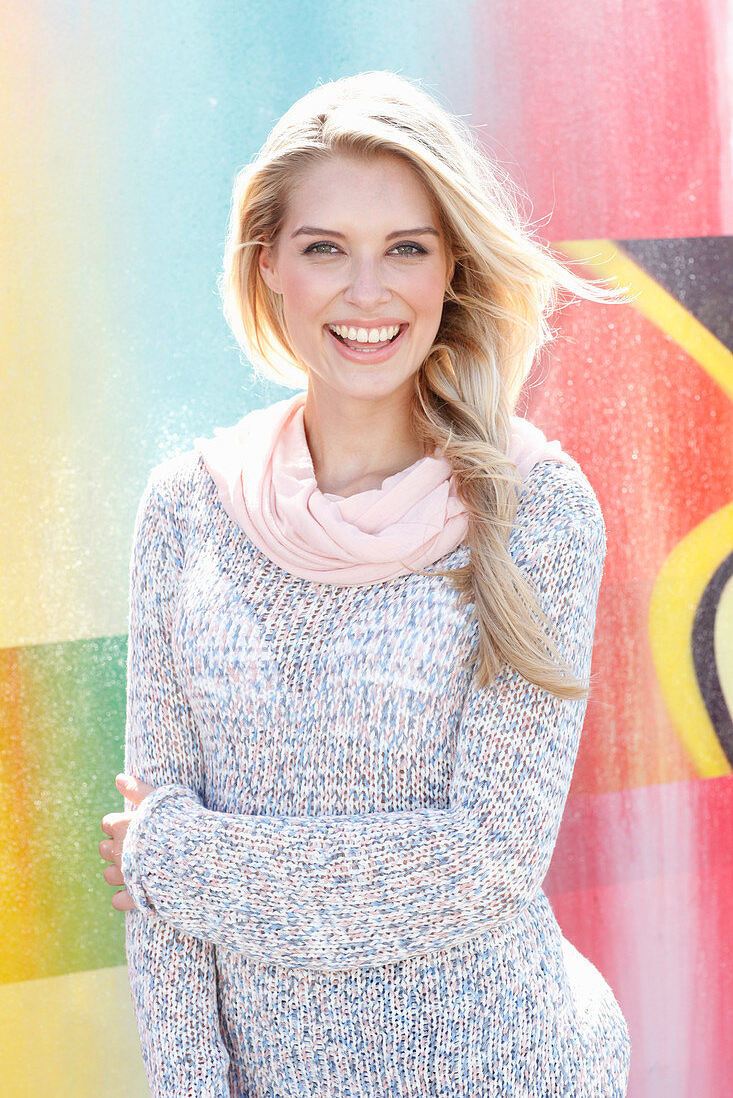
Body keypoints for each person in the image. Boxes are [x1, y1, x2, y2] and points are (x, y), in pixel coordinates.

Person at [99, 70, 632, 1097]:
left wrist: (183, 858)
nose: (367, 291)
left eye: (405, 248)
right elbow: (161, 914)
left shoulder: (535, 510)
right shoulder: (187, 508)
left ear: (450, 270)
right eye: (323, 248)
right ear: (268, 268)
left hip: (510, 1069)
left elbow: (482, 866)